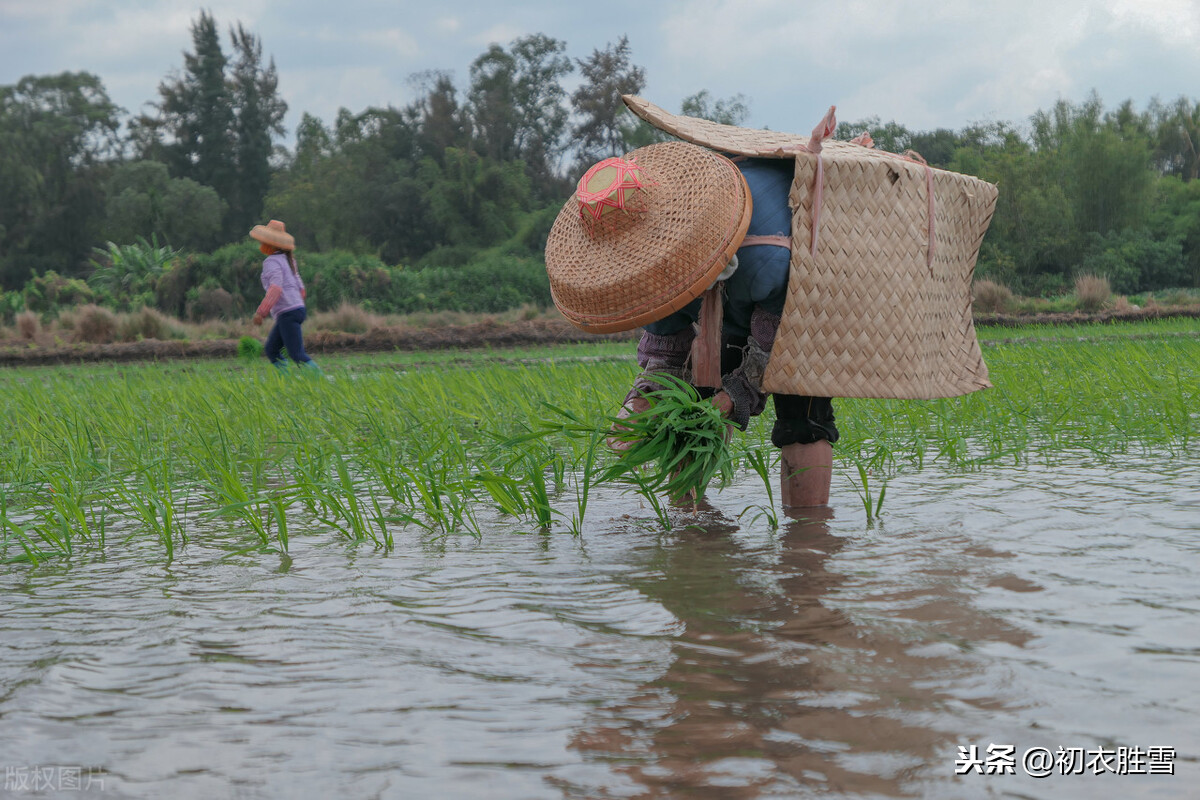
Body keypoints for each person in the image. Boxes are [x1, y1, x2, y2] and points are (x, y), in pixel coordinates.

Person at [544, 141, 837, 509]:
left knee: (802, 422)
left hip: (799, 282)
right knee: (691, 409)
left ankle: (807, 544)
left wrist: (736, 395)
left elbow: (775, 344)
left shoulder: (764, 262)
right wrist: (647, 397)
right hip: (730, 287)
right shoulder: (652, 267)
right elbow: (667, 346)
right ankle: (690, 527)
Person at [248, 219, 319, 372]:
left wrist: (261, 313)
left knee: (297, 354)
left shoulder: (271, 262)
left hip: (288, 312)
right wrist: (294, 304)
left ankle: (320, 380)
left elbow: (275, 289)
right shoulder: (289, 260)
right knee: (272, 349)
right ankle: (285, 382)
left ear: (271, 243)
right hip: (296, 310)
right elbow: (302, 290)